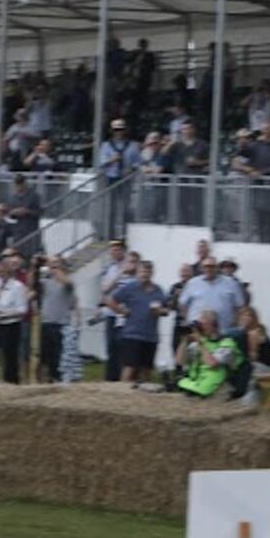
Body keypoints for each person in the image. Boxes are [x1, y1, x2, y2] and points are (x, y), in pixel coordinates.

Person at [108, 260, 168, 383]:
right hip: (132, 334)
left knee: (147, 370)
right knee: (129, 367)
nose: (144, 274)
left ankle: (145, 398)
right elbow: (111, 300)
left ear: (152, 273)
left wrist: (160, 311)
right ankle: (123, 394)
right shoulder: (130, 287)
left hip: (150, 336)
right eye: (142, 271)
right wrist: (122, 311)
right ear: (137, 273)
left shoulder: (158, 290)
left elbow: (166, 310)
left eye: (147, 271)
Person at [176, 310, 243, 398]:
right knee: (179, 383)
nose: (200, 327)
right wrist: (184, 341)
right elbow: (180, 361)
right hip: (198, 383)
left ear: (214, 325)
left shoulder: (227, 343)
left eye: (203, 324)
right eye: (199, 324)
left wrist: (201, 343)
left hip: (218, 387)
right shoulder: (199, 342)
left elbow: (212, 364)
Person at [0, 257, 28, 384]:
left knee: (10, 354)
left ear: (9, 273)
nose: (0, 276)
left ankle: (12, 380)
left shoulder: (17, 287)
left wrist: (5, 315)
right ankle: (1, 377)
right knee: (0, 353)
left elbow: (22, 309)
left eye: (2, 273)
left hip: (11, 324)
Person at [180, 256, 246, 333]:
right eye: (206, 266)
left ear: (217, 268)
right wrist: (188, 320)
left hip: (224, 331)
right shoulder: (192, 283)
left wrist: (235, 323)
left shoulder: (231, 283)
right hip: (197, 332)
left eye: (212, 266)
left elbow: (240, 307)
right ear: (201, 268)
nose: (209, 269)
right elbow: (183, 305)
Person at [98, 119, 140, 237]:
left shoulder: (133, 145)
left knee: (126, 207)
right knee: (111, 208)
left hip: (126, 179)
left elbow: (138, 162)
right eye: (116, 130)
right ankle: (110, 235)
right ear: (112, 131)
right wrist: (112, 160)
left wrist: (132, 168)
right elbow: (102, 163)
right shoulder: (106, 145)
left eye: (121, 129)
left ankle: (126, 234)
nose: (119, 132)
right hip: (112, 177)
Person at [39, 254, 75, 382]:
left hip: (60, 324)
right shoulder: (45, 281)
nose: (52, 265)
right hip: (46, 322)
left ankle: (58, 380)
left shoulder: (67, 280)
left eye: (56, 262)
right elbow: (32, 285)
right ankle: (47, 380)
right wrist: (34, 266)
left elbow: (68, 283)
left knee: (58, 357)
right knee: (45, 357)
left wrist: (56, 269)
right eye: (50, 263)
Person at [99, 240, 131, 381]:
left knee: (123, 347)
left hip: (125, 314)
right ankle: (110, 378)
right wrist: (117, 277)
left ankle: (122, 377)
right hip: (111, 312)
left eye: (118, 249)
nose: (114, 252)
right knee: (111, 346)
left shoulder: (130, 267)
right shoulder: (110, 268)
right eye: (113, 250)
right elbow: (105, 289)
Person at [8, 174, 42, 258]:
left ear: (24, 183)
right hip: (19, 231)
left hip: (31, 230)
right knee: (18, 255)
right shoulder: (13, 197)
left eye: (20, 184)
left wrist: (27, 212)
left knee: (31, 255)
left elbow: (40, 212)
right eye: (17, 184)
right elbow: (10, 214)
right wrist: (13, 212)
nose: (18, 186)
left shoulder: (34, 196)